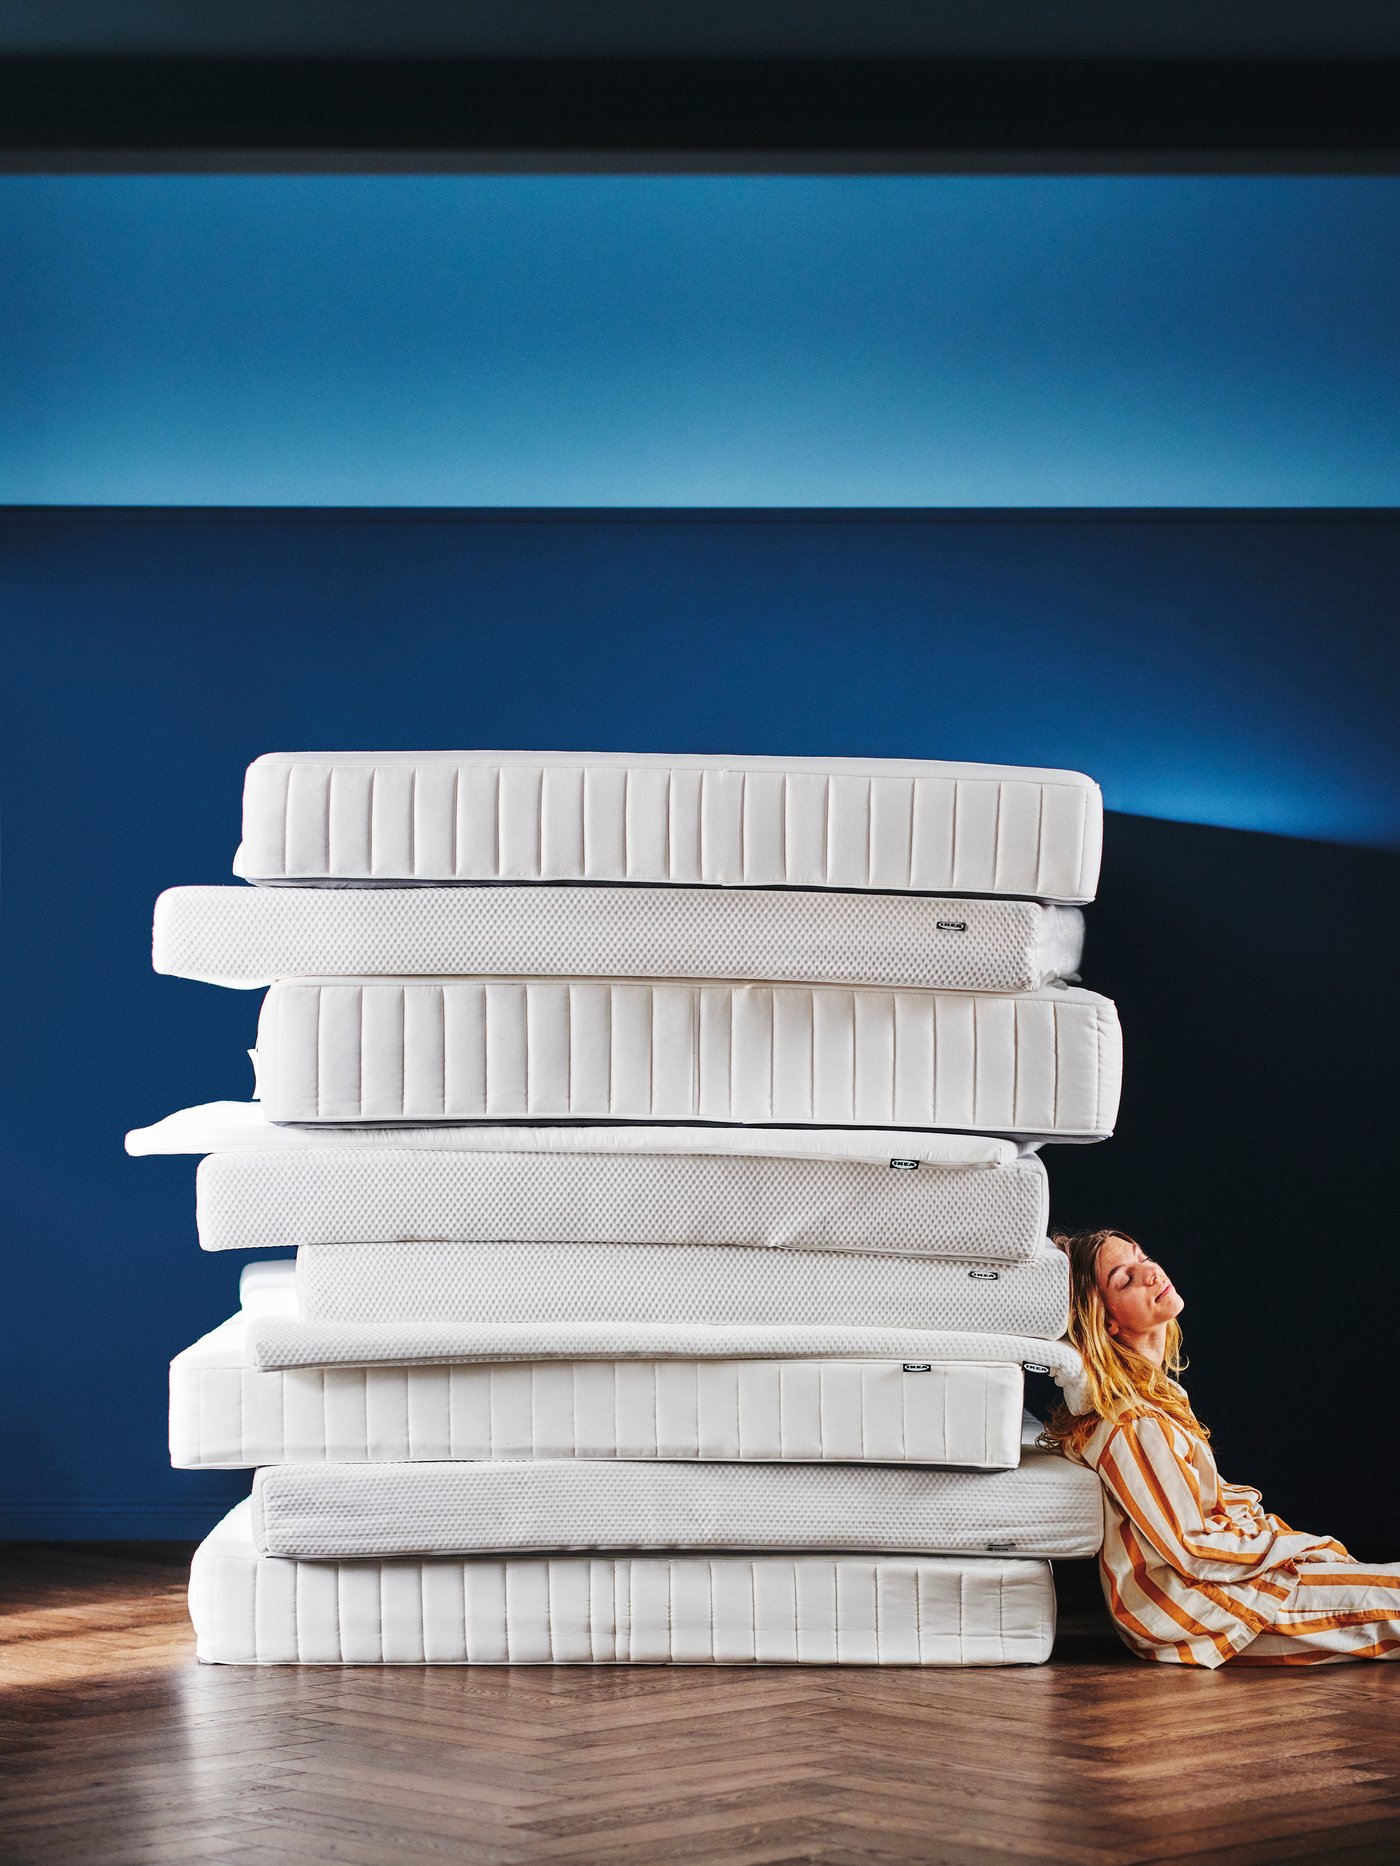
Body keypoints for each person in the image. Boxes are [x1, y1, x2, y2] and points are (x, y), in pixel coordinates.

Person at [1045, 1227, 1400, 1667]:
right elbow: (1192, 1548)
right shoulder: (1133, 1422)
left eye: (1142, 1257)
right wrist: (1300, 1548)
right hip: (1198, 1611)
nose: (1150, 1272)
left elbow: (1210, 1508)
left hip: (1215, 1589)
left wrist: (1287, 1543)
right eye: (1125, 1278)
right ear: (1106, 1321)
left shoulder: (1157, 1398)